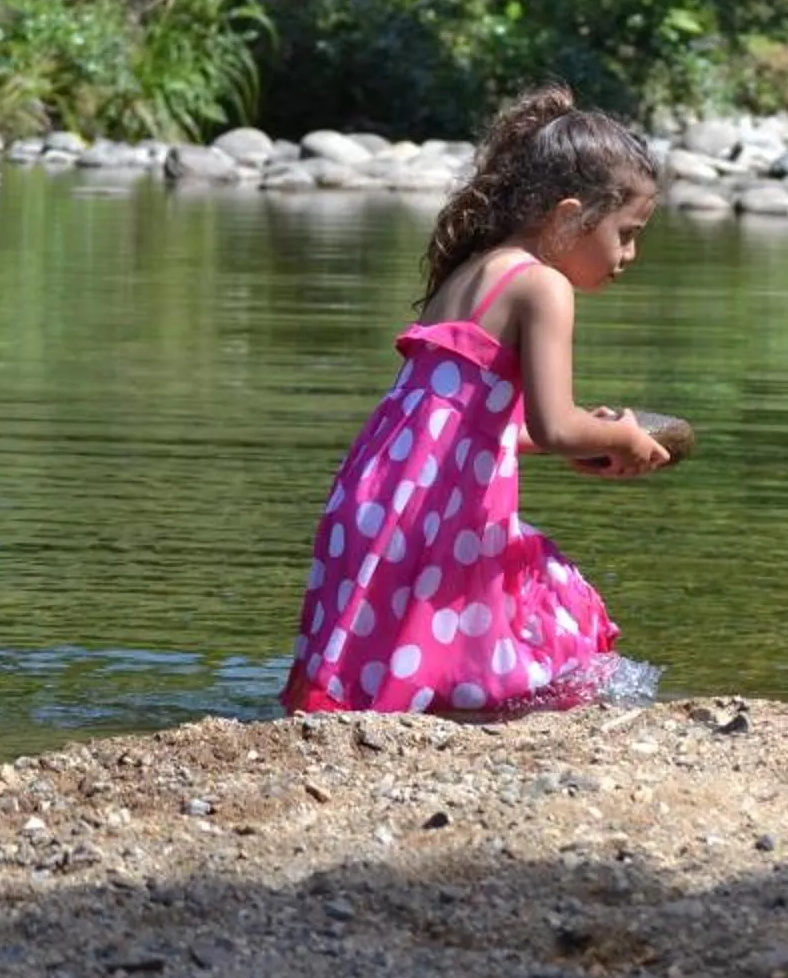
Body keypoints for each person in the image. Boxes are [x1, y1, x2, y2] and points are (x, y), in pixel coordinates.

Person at [280, 87, 675, 718]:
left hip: (382, 504)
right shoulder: (543, 287)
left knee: (391, 657)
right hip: (437, 520)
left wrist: (579, 435)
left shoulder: (471, 270)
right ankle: (498, 710)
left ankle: (431, 712)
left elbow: (458, 424)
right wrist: (618, 436)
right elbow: (554, 421)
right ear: (570, 214)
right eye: (625, 234)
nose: (630, 256)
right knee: (555, 601)